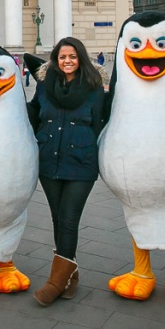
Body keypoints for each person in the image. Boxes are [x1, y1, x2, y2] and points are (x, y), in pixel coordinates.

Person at [27, 37, 105, 306]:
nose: (67, 61)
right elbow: (33, 114)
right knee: (58, 219)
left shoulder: (94, 88)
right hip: (49, 160)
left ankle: (55, 282)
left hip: (81, 162)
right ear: (55, 60)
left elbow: (98, 124)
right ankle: (70, 276)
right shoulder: (45, 86)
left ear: (80, 58)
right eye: (62, 57)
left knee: (69, 218)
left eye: (72, 56)